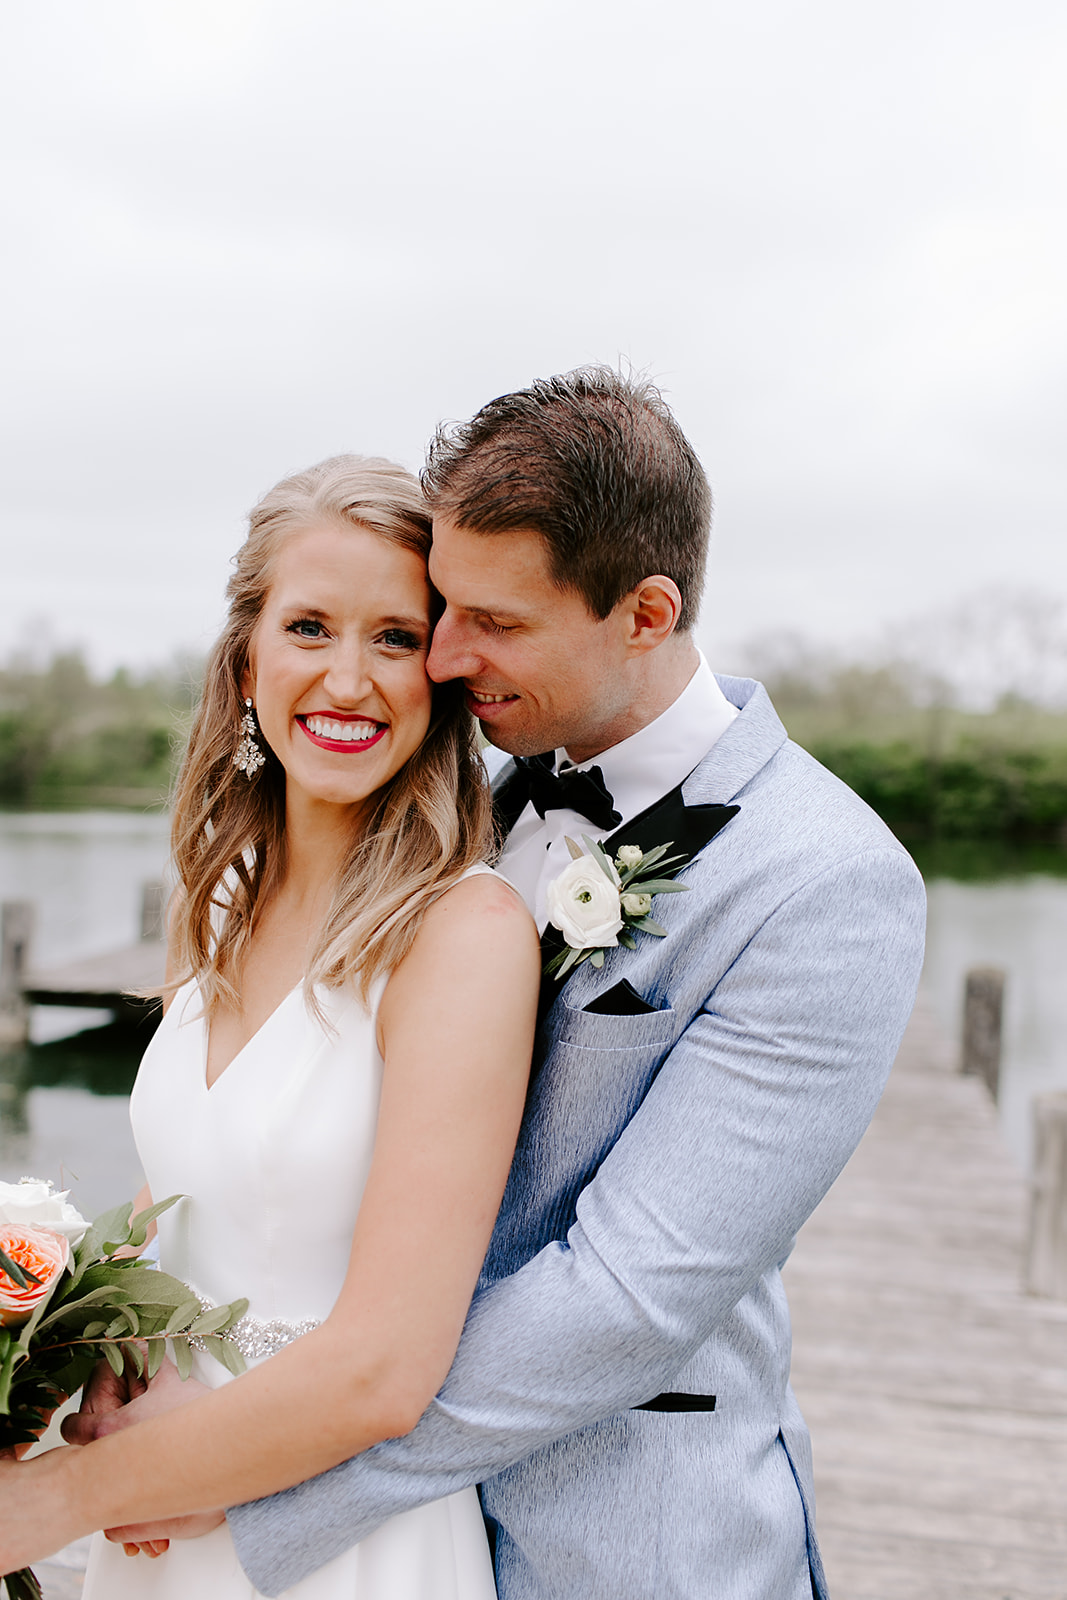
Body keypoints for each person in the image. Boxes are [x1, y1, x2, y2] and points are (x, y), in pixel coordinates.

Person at [1, 369, 927, 1600]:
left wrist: (225, 1467)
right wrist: (121, 1339)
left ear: (643, 614)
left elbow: (623, 1297)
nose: (437, 656)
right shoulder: (452, 807)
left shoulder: (822, 883)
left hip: (612, 1538)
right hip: (242, 1477)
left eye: (480, 620)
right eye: (431, 611)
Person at [0, 454, 540, 1597]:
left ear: (439, 674)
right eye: (309, 627)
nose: (348, 678)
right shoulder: (232, 898)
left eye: (395, 637)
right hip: (155, 1503)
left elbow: (386, 1369)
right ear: (247, 659)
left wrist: (53, 1502)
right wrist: (63, 1348)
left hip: (330, 1542)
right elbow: (187, 1201)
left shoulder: (463, 933)